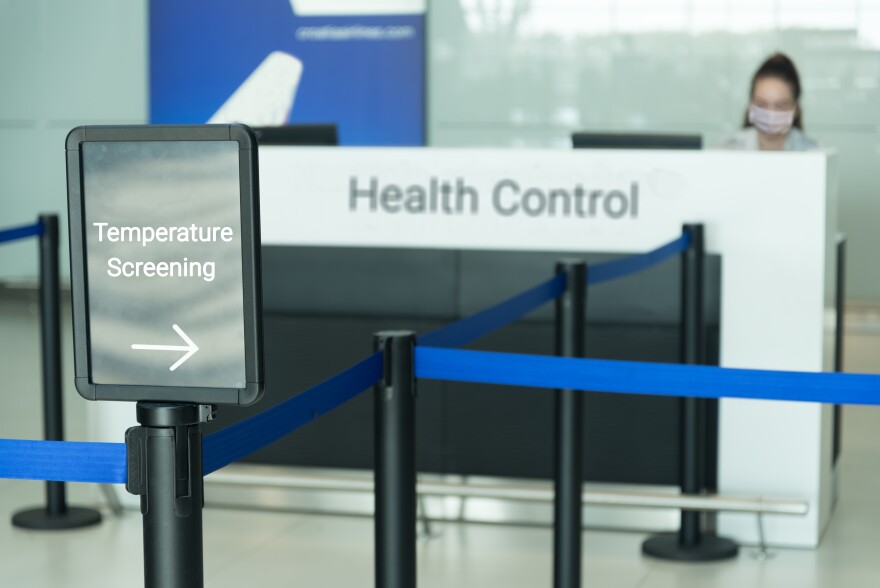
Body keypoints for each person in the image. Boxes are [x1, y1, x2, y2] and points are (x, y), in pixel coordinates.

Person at [718, 53, 819, 151]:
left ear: (795, 108)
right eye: (761, 104)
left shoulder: (815, 152)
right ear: (751, 105)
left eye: (781, 106)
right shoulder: (726, 150)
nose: (770, 113)